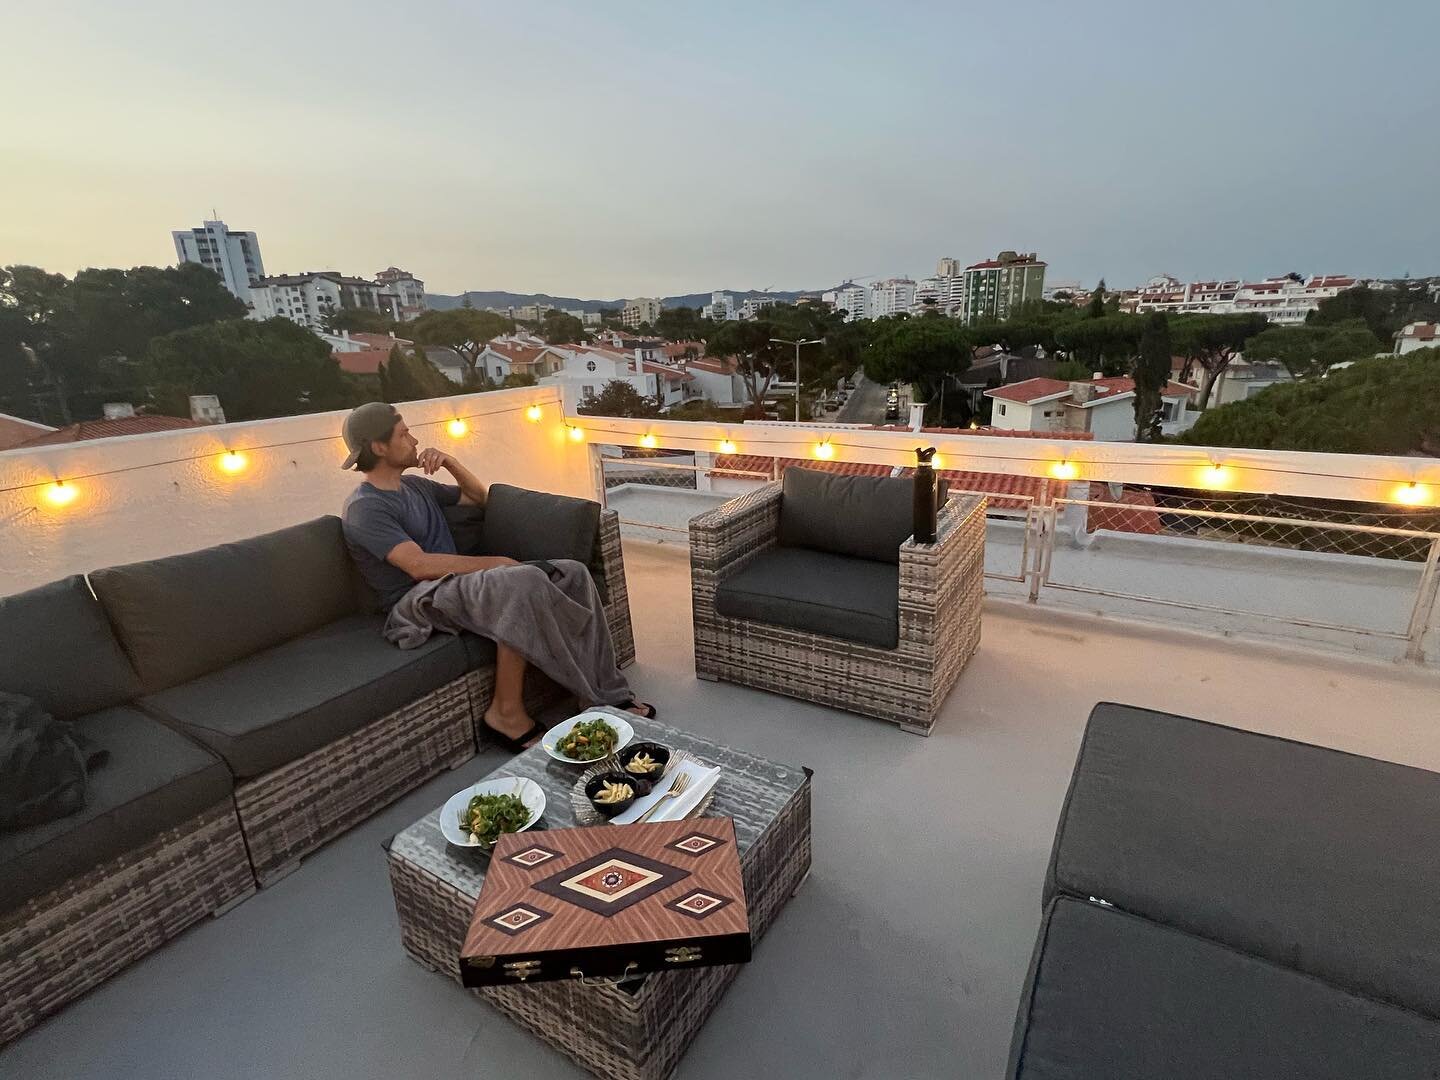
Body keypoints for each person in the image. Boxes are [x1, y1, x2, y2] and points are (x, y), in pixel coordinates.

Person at [338, 402, 651, 751]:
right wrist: (499, 562)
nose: (414, 439)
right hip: (418, 598)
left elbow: (479, 499)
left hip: (453, 584)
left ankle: (607, 693)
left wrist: (452, 464)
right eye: (403, 433)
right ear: (379, 448)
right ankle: (505, 714)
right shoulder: (365, 507)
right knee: (520, 581)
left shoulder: (414, 486)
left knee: (573, 573)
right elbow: (418, 566)